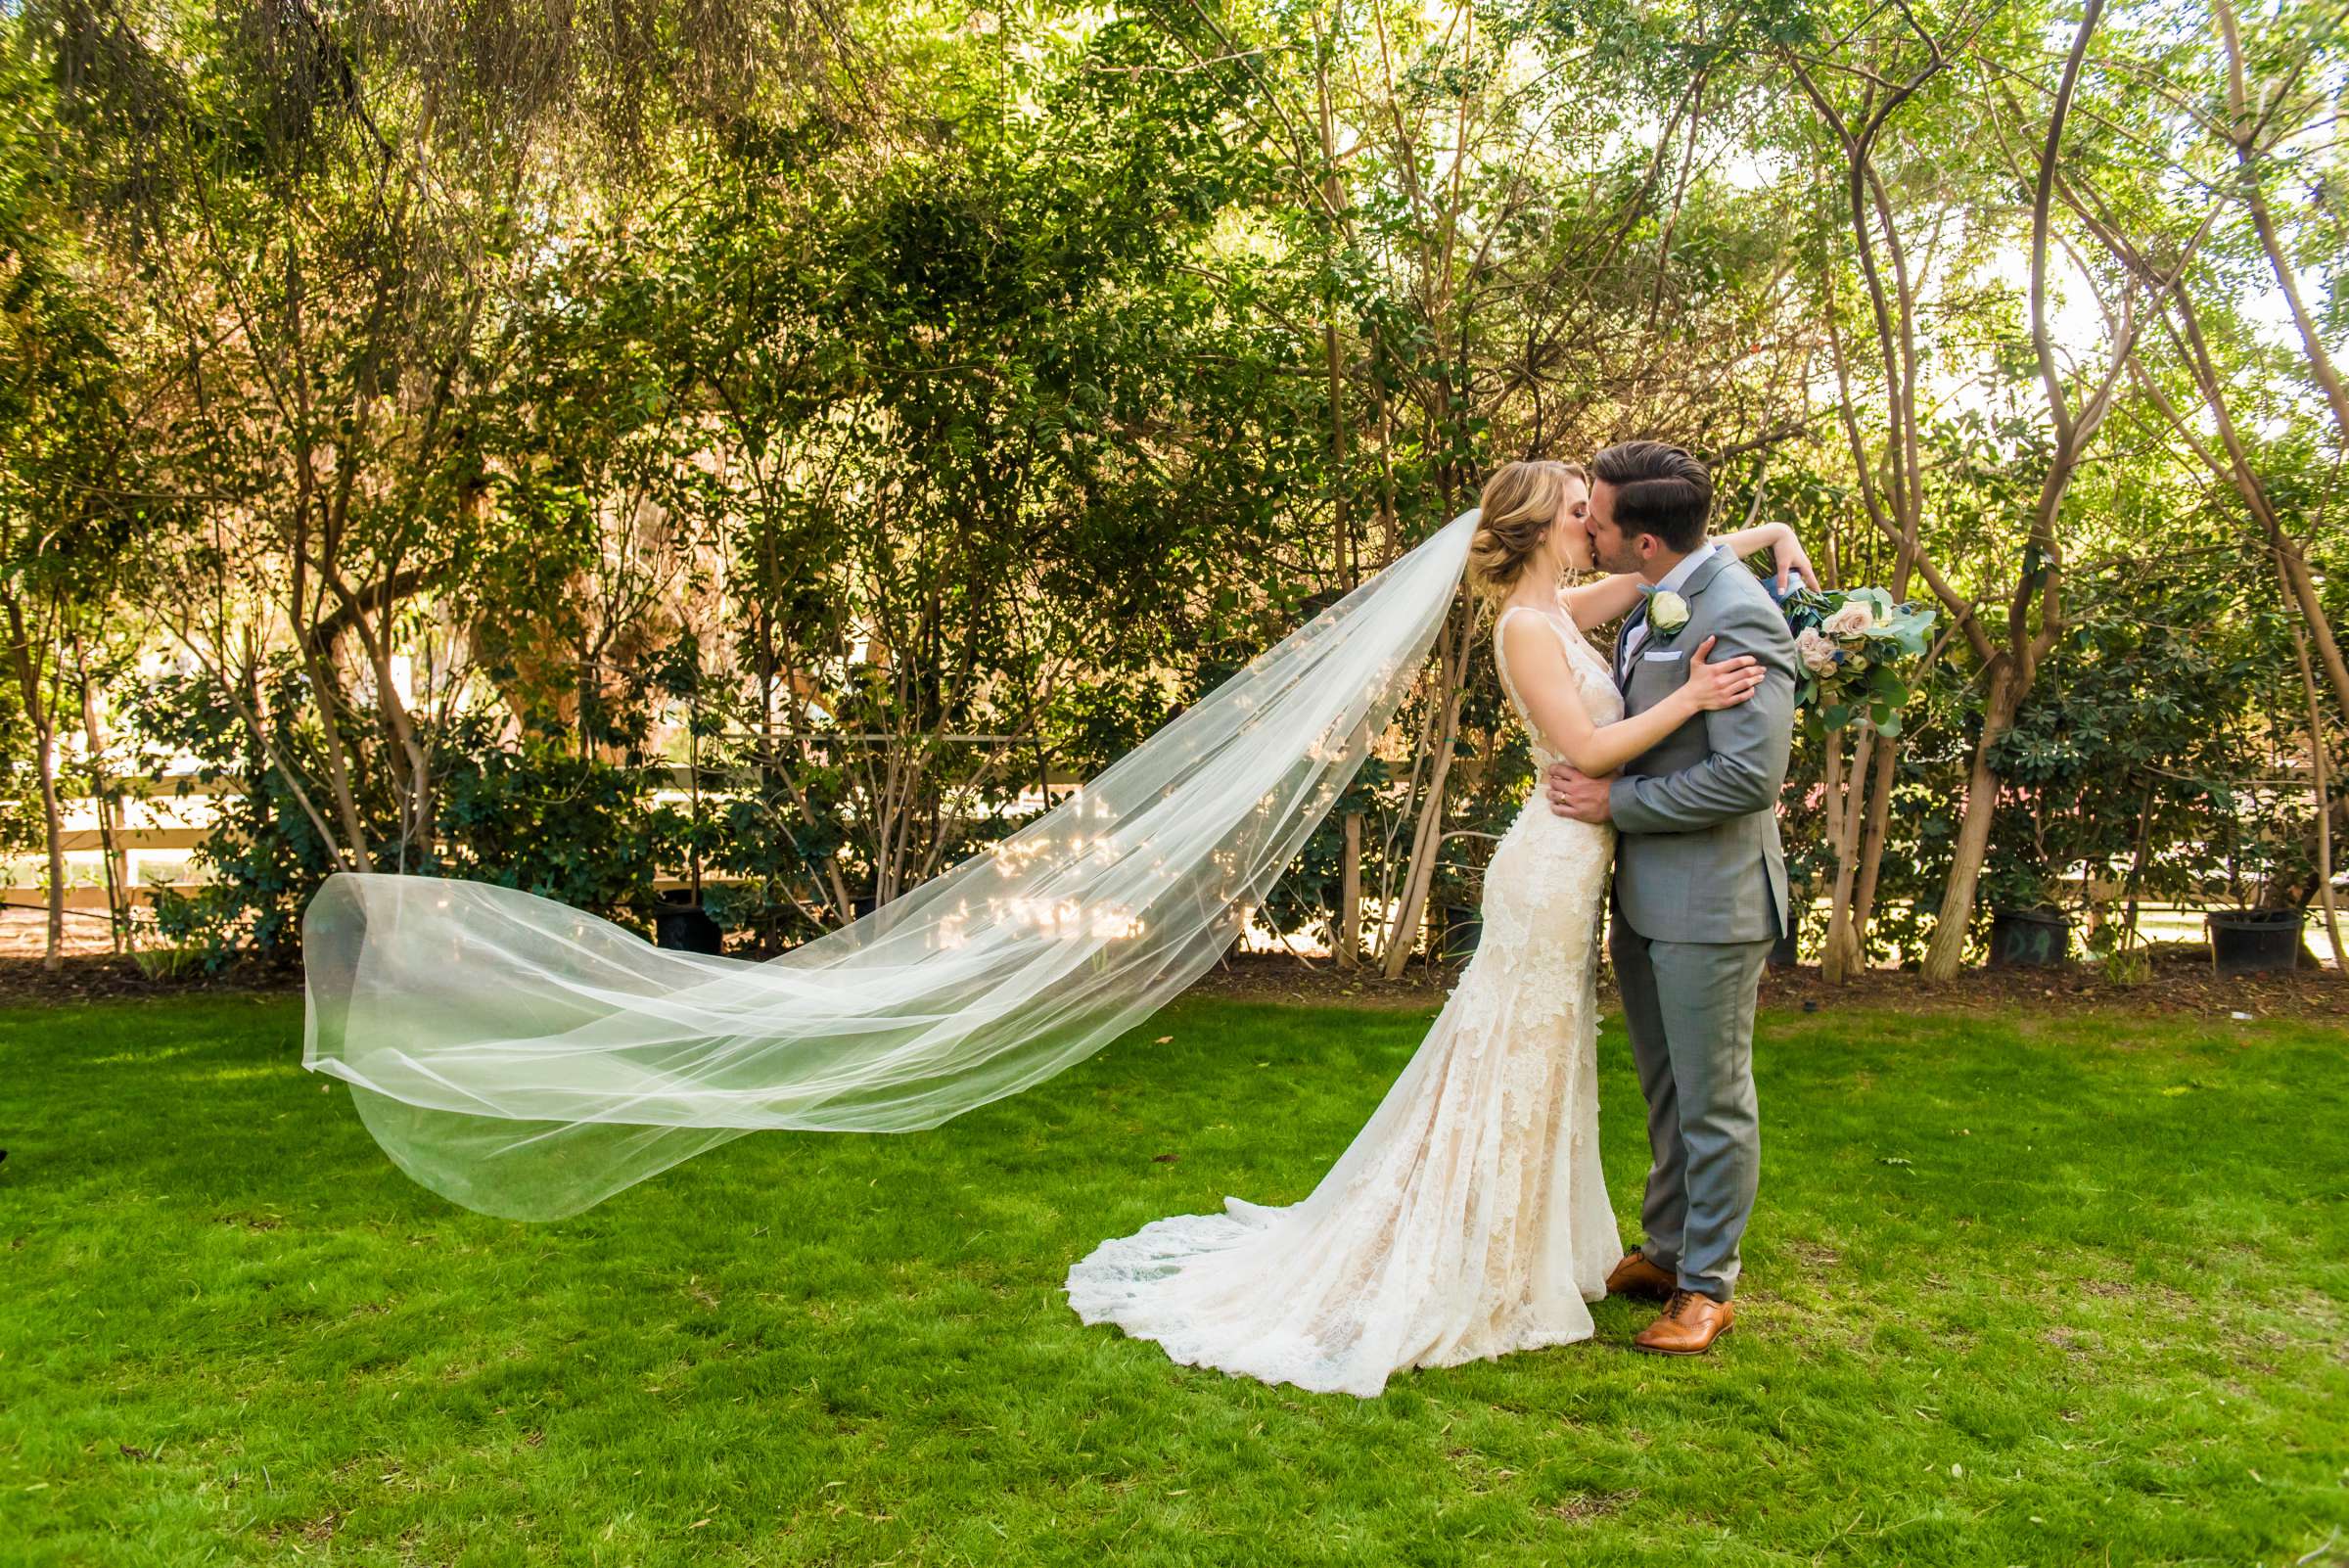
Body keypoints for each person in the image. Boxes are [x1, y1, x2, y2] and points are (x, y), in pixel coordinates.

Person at [1064, 452, 1811, 1392]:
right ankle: (1491, 1245)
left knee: (1559, 1054)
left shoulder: (1567, 610)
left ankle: (1638, 1259)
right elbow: (1584, 746)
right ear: (1545, 527)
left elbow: (1665, 567)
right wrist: (1696, 699)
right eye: (1583, 512)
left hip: (1593, 859)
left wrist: (1772, 533)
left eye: (1601, 513)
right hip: (1555, 861)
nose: (1596, 526)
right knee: (1518, 1049)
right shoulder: (1527, 629)